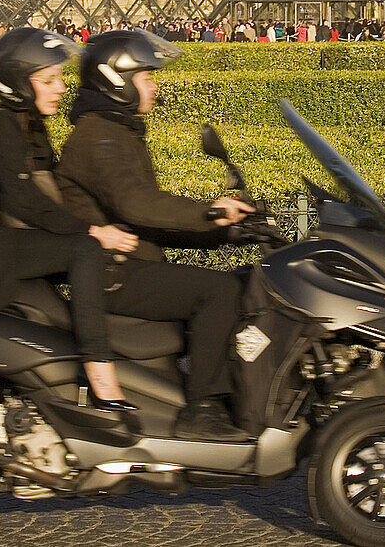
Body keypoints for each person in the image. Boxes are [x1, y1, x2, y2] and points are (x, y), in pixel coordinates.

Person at [55, 29, 254, 440]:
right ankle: (201, 410)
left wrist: (223, 232)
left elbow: (146, 221)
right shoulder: (100, 137)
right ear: (118, 81)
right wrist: (209, 211)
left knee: (244, 283)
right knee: (219, 292)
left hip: (128, 265)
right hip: (113, 274)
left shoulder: (114, 131)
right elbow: (138, 206)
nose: (155, 86)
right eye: (146, 78)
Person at [0, 28, 138, 411]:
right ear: (19, 84)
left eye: (60, 78)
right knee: (84, 251)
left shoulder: (28, 125)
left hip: (2, 239)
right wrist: (94, 231)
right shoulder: (3, 123)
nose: (61, 88)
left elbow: (50, 195)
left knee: (86, 249)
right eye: (49, 80)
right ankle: (99, 370)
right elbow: (24, 201)